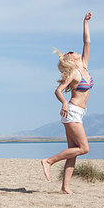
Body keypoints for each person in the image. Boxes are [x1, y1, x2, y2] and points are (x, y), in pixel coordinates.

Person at [41, 12, 93, 194]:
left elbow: (86, 42)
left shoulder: (84, 65)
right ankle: (49, 161)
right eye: (71, 52)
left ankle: (65, 188)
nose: (74, 51)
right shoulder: (73, 74)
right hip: (71, 112)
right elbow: (58, 90)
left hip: (78, 113)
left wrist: (85, 22)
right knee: (83, 148)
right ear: (71, 59)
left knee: (74, 150)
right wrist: (63, 102)